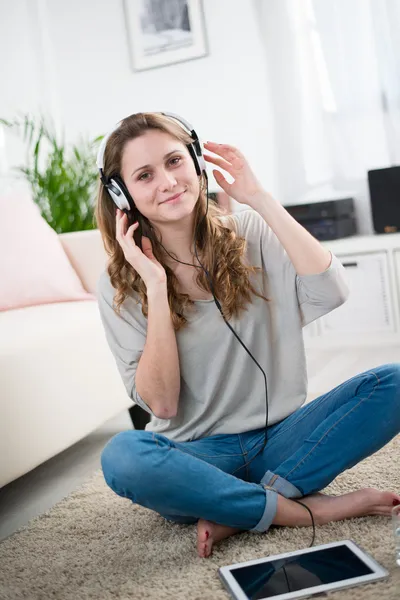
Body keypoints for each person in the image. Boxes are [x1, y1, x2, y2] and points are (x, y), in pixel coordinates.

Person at [95, 112, 400, 559]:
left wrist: (259, 198)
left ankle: (235, 510)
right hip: (198, 454)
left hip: (283, 437)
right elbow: (161, 404)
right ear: (123, 195)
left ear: (197, 162)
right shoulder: (119, 284)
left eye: (175, 160)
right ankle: (304, 510)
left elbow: (332, 291)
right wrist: (156, 287)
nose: (167, 182)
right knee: (123, 456)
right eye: (144, 175)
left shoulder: (251, 233)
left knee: (393, 381)